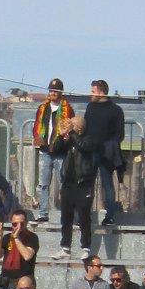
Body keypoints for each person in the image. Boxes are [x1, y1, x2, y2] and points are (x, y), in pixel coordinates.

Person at [80, 80, 126, 228]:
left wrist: (111, 146)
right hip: (90, 151)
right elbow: (85, 127)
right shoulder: (90, 107)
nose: (90, 94)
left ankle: (110, 216)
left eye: (93, 91)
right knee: (87, 183)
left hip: (106, 153)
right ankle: (84, 214)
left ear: (101, 92)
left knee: (108, 185)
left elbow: (119, 134)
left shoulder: (115, 110)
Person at [29, 78, 74, 223]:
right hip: (46, 151)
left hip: (60, 152)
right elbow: (37, 126)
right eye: (51, 90)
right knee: (44, 184)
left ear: (61, 92)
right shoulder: (43, 108)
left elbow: (70, 128)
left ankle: (67, 214)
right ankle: (43, 213)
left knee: (64, 184)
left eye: (55, 90)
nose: (53, 93)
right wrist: (38, 138)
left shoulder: (68, 109)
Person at [54, 114, 97, 258]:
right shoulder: (69, 140)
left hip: (83, 183)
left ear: (78, 127)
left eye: (72, 125)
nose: (69, 127)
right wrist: (61, 137)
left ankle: (86, 247)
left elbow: (84, 147)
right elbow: (55, 150)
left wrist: (71, 133)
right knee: (66, 217)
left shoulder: (89, 139)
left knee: (84, 216)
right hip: (68, 183)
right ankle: (65, 247)